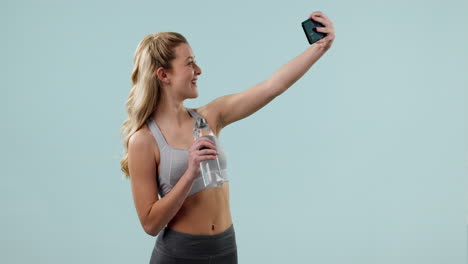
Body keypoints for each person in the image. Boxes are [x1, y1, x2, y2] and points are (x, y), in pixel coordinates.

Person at [120, 11, 335, 264]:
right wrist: (190, 173)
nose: (198, 70)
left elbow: (272, 86)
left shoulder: (211, 117)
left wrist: (321, 47)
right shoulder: (144, 140)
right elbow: (150, 223)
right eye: (189, 63)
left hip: (225, 248)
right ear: (163, 75)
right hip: (179, 254)